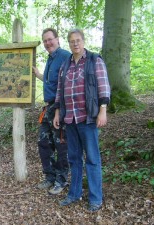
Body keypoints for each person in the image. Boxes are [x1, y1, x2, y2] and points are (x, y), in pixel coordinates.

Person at [53, 28, 111, 212]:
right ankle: (74, 193)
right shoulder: (65, 65)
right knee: (74, 159)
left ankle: (95, 198)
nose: (75, 43)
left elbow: (103, 87)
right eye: (71, 41)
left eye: (78, 40)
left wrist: (103, 110)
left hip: (88, 119)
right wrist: (57, 113)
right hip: (70, 119)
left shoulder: (95, 60)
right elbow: (59, 92)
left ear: (83, 41)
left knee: (92, 159)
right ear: (68, 44)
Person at [32, 28, 70, 195]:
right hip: (48, 107)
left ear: (57, 39)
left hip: (59, 108)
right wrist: (39, 74)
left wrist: (58, 110)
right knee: (44, 143)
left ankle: (61, 180)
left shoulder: (64, 56)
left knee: (60, 145)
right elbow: (51, 81)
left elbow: (66, 86)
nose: (48, 43)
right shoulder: (50, 58)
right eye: (45, 41)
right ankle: (50, 176)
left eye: (50, 39)